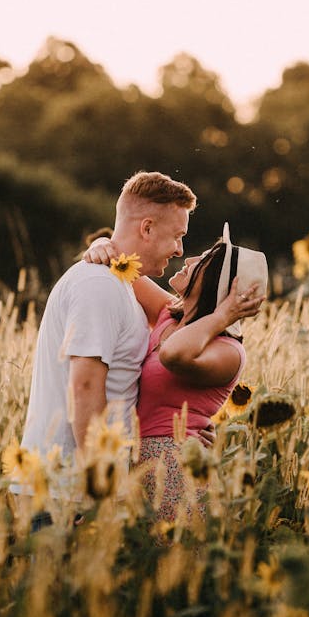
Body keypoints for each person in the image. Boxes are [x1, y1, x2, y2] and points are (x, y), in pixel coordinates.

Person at [84, 222, 267, 520]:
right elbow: (118, 265)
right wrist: (99, 245)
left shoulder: (228, 351)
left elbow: (172, 355)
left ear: (219, 284)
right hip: (130, 460)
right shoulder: (169, 316)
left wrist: (223, 315)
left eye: (203, 261)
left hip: (174, 471)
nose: (190, 259)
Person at [19, 171, 198, 472]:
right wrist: (97, 488)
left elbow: (178, 317)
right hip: (66, 490)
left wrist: (193, 423)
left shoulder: (122, 281)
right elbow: (85, 386)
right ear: (147, 228)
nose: (180, 250)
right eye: (178, 236)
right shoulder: (99, 284)